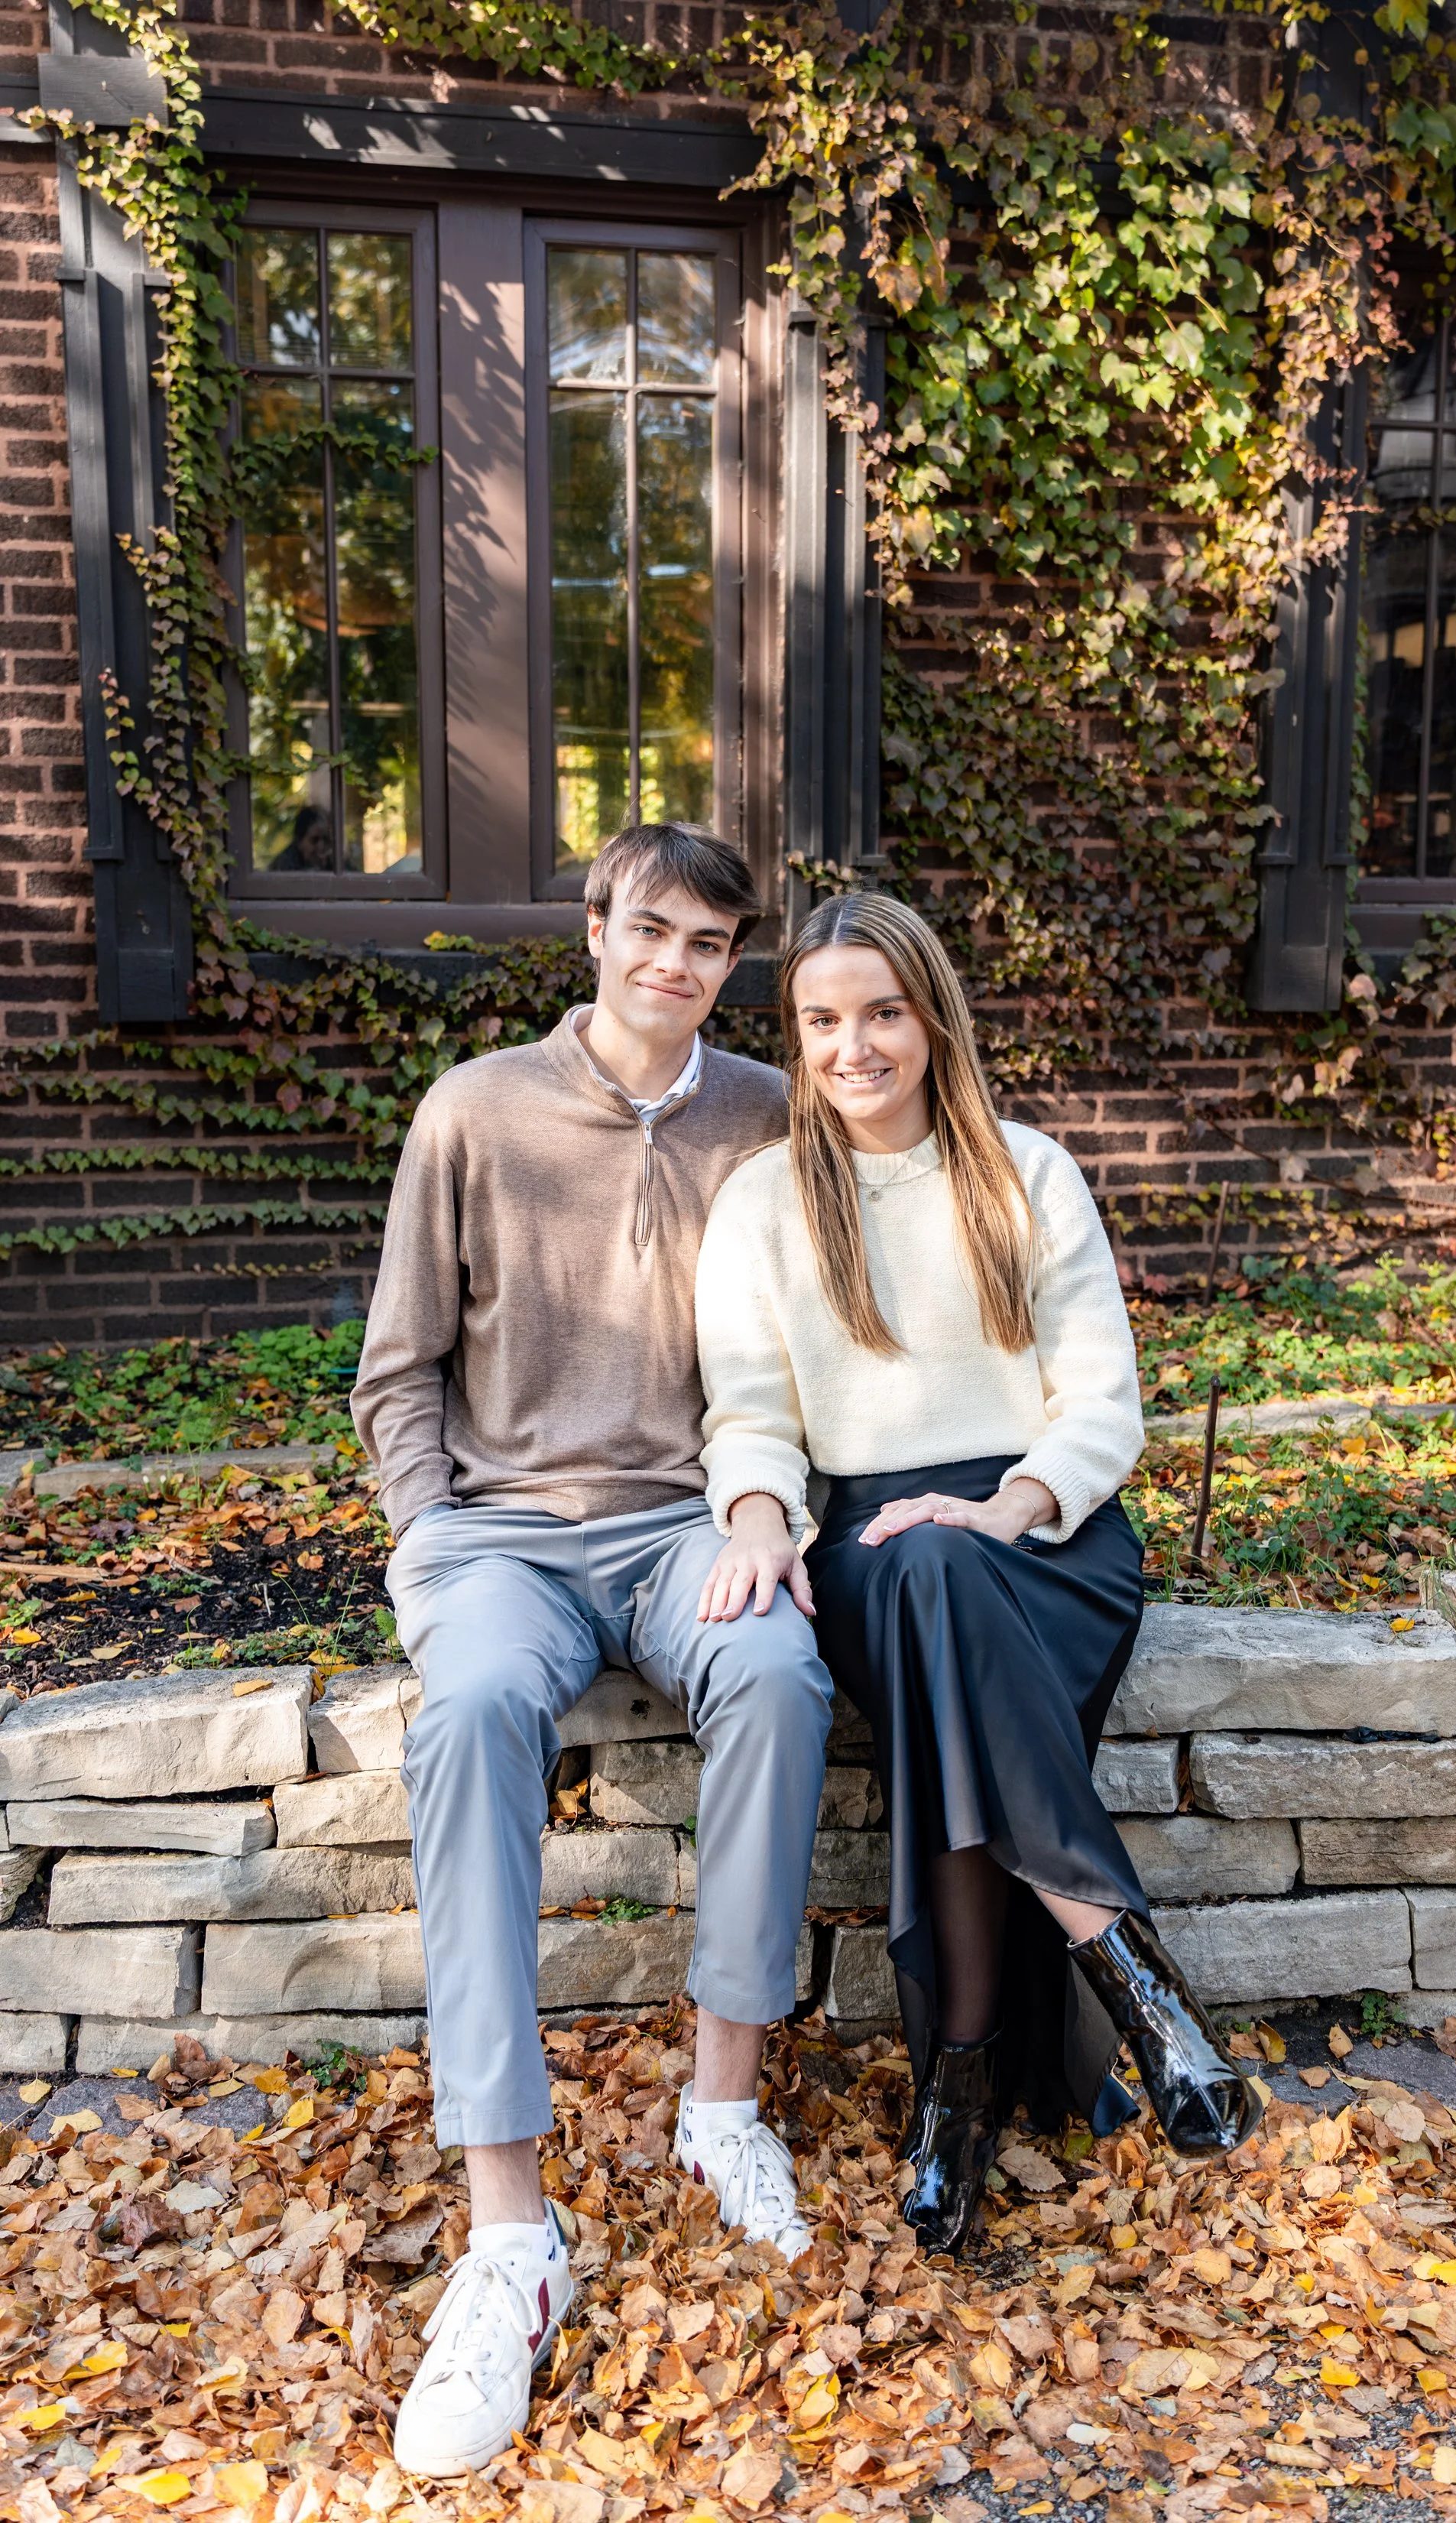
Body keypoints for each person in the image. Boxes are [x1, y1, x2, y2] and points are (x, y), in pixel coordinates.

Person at [352, 824, 834, 2477]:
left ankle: (723, 2107)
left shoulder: (769, 1111)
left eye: (709, 943)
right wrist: (427, 1533)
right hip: (496, 1534)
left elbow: (822, 1327)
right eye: (651, 930)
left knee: (776, 1674)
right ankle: (508, 2228)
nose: (675, 964)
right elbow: (394, 1370)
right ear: (594, 930)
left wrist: (779, 1507)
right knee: (472, 1705)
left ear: (729, 962)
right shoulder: (473, 1111)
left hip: (685, 1523)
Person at [692, 891, 1258, 2257]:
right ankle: (1126, 1970)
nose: (853, 1048)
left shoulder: (1025, 1173)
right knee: (926, 1571)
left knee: (951, 1592)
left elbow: (1101, 1405)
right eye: (822, 1022)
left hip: (1047, 1533)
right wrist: (762, 1512)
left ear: (933, 1019)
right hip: (878, 1546)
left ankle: (958, 2077)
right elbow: (751, 1410)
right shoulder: (765, 1203)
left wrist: (1009, 1510)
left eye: (882, 1013)